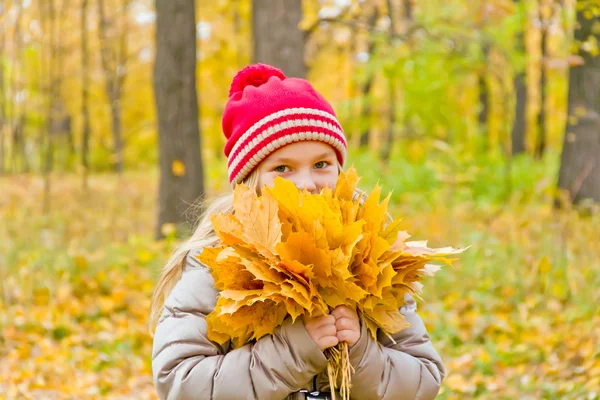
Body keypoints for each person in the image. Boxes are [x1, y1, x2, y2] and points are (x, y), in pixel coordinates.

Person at [150, 63, 445, 400]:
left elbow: (423, 379)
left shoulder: (371, 256)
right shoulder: (217, 262)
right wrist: (292, 350)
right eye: (282, 168)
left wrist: (362, 349)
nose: (306, 183)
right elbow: (180, 381)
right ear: (250, 181)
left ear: (340, 170)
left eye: (321, 164)